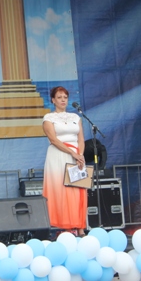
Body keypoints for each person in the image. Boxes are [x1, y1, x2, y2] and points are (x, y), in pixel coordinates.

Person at [42, 86, 87, 236]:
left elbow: (81, 139)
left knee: (78, 188)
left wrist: (80, 155)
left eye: (65, 97)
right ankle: (66, 226)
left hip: (76, 156)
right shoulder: (49, 118)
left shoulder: (75, 118)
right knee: (63, 190)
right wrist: (72, 153)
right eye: (59, 97)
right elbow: (53, 140)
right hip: (59, 155)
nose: (63, 100)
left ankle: (80, 226)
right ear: (53, 100)